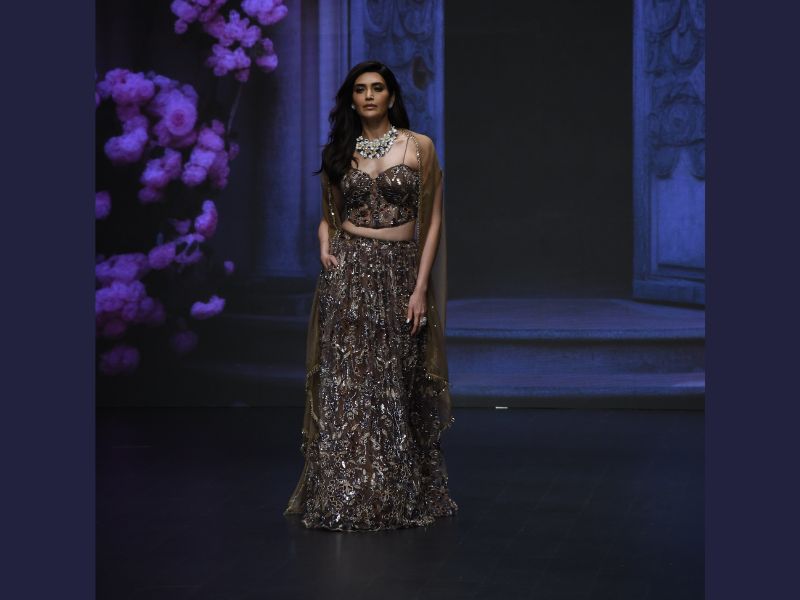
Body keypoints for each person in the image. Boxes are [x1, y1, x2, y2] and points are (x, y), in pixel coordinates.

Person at [283, 60, 458, 531]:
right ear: (352, 98)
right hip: (349, 273)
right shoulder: (340, 151)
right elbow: (329, 214)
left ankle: (395, 492)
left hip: (400, 274)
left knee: (395, 381)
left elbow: (433, 221)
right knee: (352, 383)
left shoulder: (419, 146)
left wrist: (420, 287)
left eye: (377, 88)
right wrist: (324, 242)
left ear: (391, 96)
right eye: (360, 89)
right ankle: (348, 491)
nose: (368, 96)